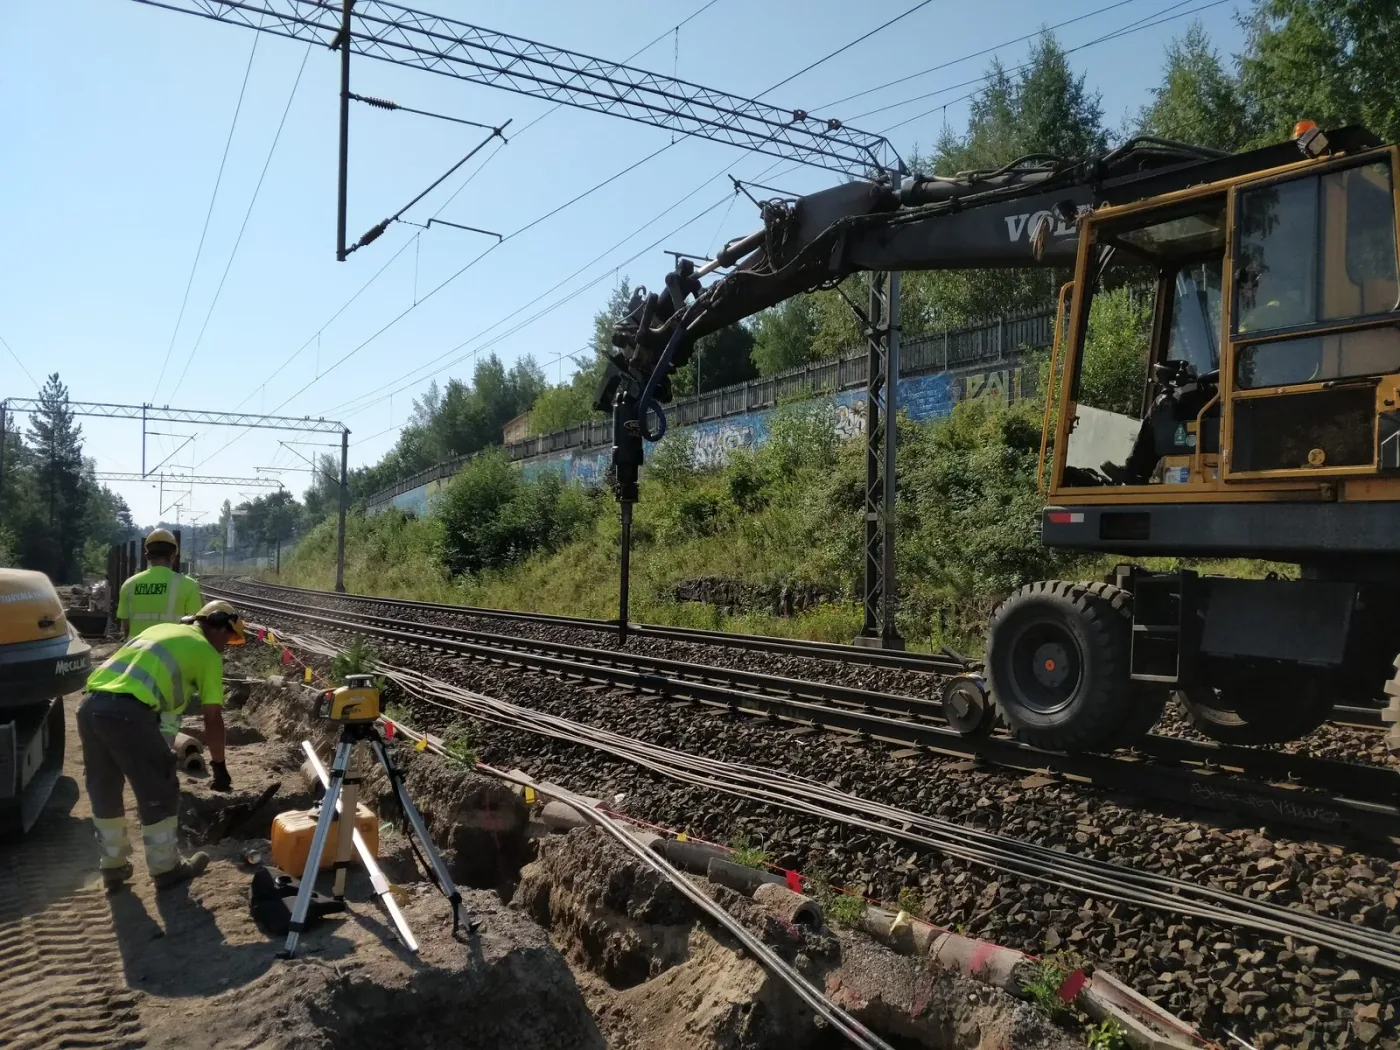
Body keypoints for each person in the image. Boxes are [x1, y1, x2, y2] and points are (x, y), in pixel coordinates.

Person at [78, 600, 244, 890]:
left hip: (90, 708)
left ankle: (113, 866)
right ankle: (166, 868)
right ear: (218, 626)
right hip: (129, 714)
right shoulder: (207, 653)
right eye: (229, 638)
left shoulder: (162, 632)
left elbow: (161, 711)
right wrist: (219, 766)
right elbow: (213, 717)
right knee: (159, 788)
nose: (227, 646)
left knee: (104, 787)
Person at [116, 528, 203, 640]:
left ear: (147, 556)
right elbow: (193, 628)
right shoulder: (189, 585)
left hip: (136, 652)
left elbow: (126, 628)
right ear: (173, 556)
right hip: (173, 653)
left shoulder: (129, 585)